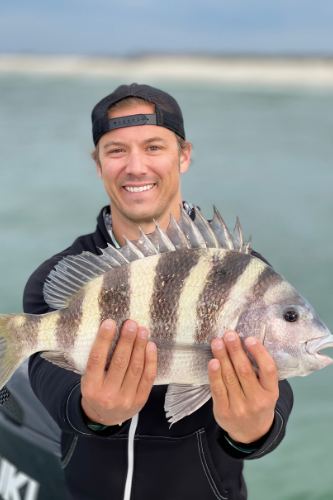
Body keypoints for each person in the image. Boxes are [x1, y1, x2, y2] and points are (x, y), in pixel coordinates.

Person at [24, 83, 293, 500]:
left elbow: (276, 384)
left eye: (154, 147)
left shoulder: (241, 270)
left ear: (183, 156)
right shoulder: (58, 276)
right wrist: (92, 413)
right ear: (98, 164)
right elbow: (47, 373)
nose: (135, 167)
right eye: (116, 151)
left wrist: (254, 430)